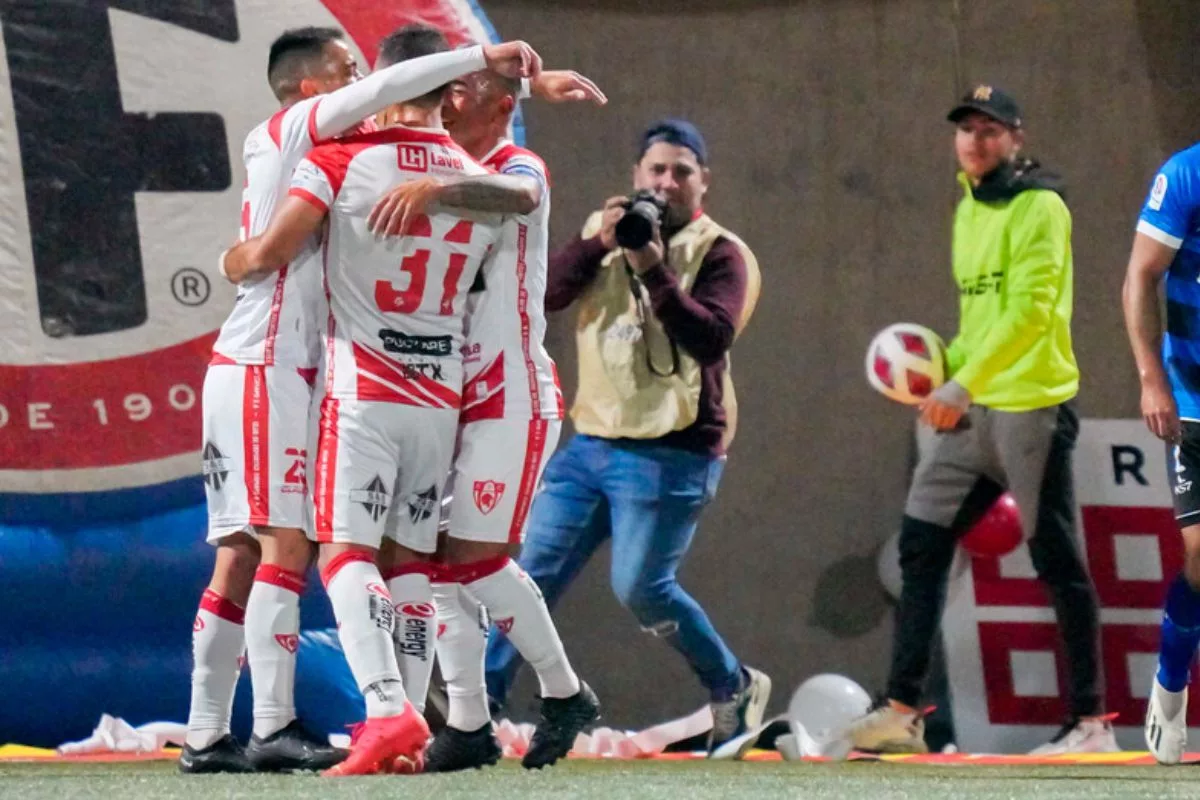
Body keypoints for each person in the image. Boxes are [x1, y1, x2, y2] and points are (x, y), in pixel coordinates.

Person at [185, 26, 541, 774]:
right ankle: (263, 727)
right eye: (346, 72)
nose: (361, 86)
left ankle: (236, 731)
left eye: (364, 72)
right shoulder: (300, 133)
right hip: (269, 363)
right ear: (312, 90)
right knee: (284, 548)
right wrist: (482, 58)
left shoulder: (350, 159)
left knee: (280, 551)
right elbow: (406, 97)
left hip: (327, 375)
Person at [477, 118, 768, 752]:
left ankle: (733, 685)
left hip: (673, 448)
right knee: (526, 577)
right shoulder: (602, 232)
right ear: (636, 176)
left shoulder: (723, 253)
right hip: (592, 442)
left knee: (641, 589)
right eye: (656, 170)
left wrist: (655, 270)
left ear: (704, 182)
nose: (666, 182)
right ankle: (478, 706)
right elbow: (542, 294)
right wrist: (598, 245)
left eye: (681, 172)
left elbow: (710, 338)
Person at [847, 85, 1112, 755]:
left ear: (1016, 138)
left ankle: (1090, 724)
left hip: (1031, 406)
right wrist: (940, 368)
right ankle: (903, 711)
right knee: (920, 544)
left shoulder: (1041, 205)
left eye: (991, 129)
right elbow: (979, 319)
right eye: (966, 128)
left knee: (1056, 558)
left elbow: (1030, 313)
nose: (975, 140)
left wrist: (961, 384)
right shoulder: (967, 207)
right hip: (976, 409)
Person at [367, 66, 607, 771]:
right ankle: (469, 723)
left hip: (511, 394)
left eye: (461, 92)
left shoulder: (512, 165)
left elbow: (522, 194)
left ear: (499, 107)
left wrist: (437, 190)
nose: (444, 102)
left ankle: (565, 692)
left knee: (474, 560)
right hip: (449, 394)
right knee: (438, 564)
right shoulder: (433, 158)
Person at [1122, 138, 1200, 764]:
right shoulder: (1186, 174)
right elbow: (1142, 275)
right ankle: (1171, 685)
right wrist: (1152, 379)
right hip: (1195, 400)